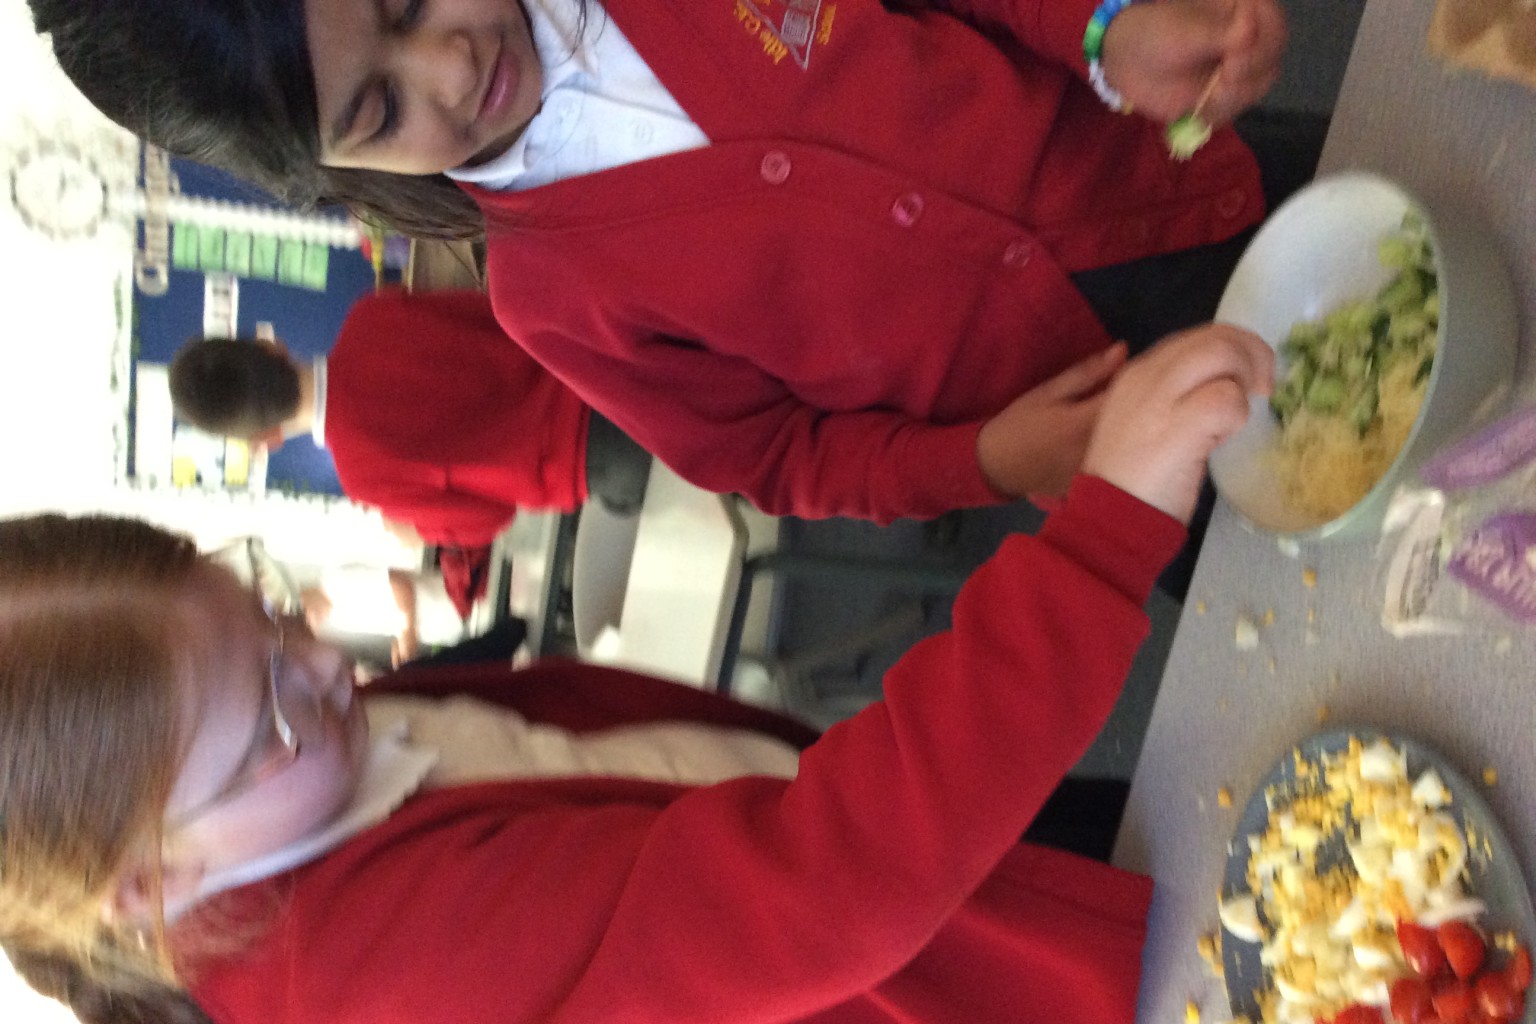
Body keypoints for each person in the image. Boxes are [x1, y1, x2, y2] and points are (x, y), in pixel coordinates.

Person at [0, 323, 1270, 1024]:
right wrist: (1104, 537)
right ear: (144, 883)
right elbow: (819, 889)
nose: (328, 665)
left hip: (972, 910)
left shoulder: (308, 776)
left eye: (276, 615)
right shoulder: (363, 982)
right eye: (270, 705)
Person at [29, 0, 1317, 525]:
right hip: (1108, 427)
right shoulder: (551, 301)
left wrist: (1101, 24)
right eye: (379, 108)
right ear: (342, 170)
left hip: (1195, 183)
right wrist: (982, 460)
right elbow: (782, 458)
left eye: (413, 1)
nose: (450, 68)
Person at [170, 288, 653, 550]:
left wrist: (419, 533)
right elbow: (502, 311)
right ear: (270, 346)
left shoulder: (364, 478)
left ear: (264, 441)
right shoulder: (371, 316)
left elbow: (490, 518)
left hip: (602, 463)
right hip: (619, 364)